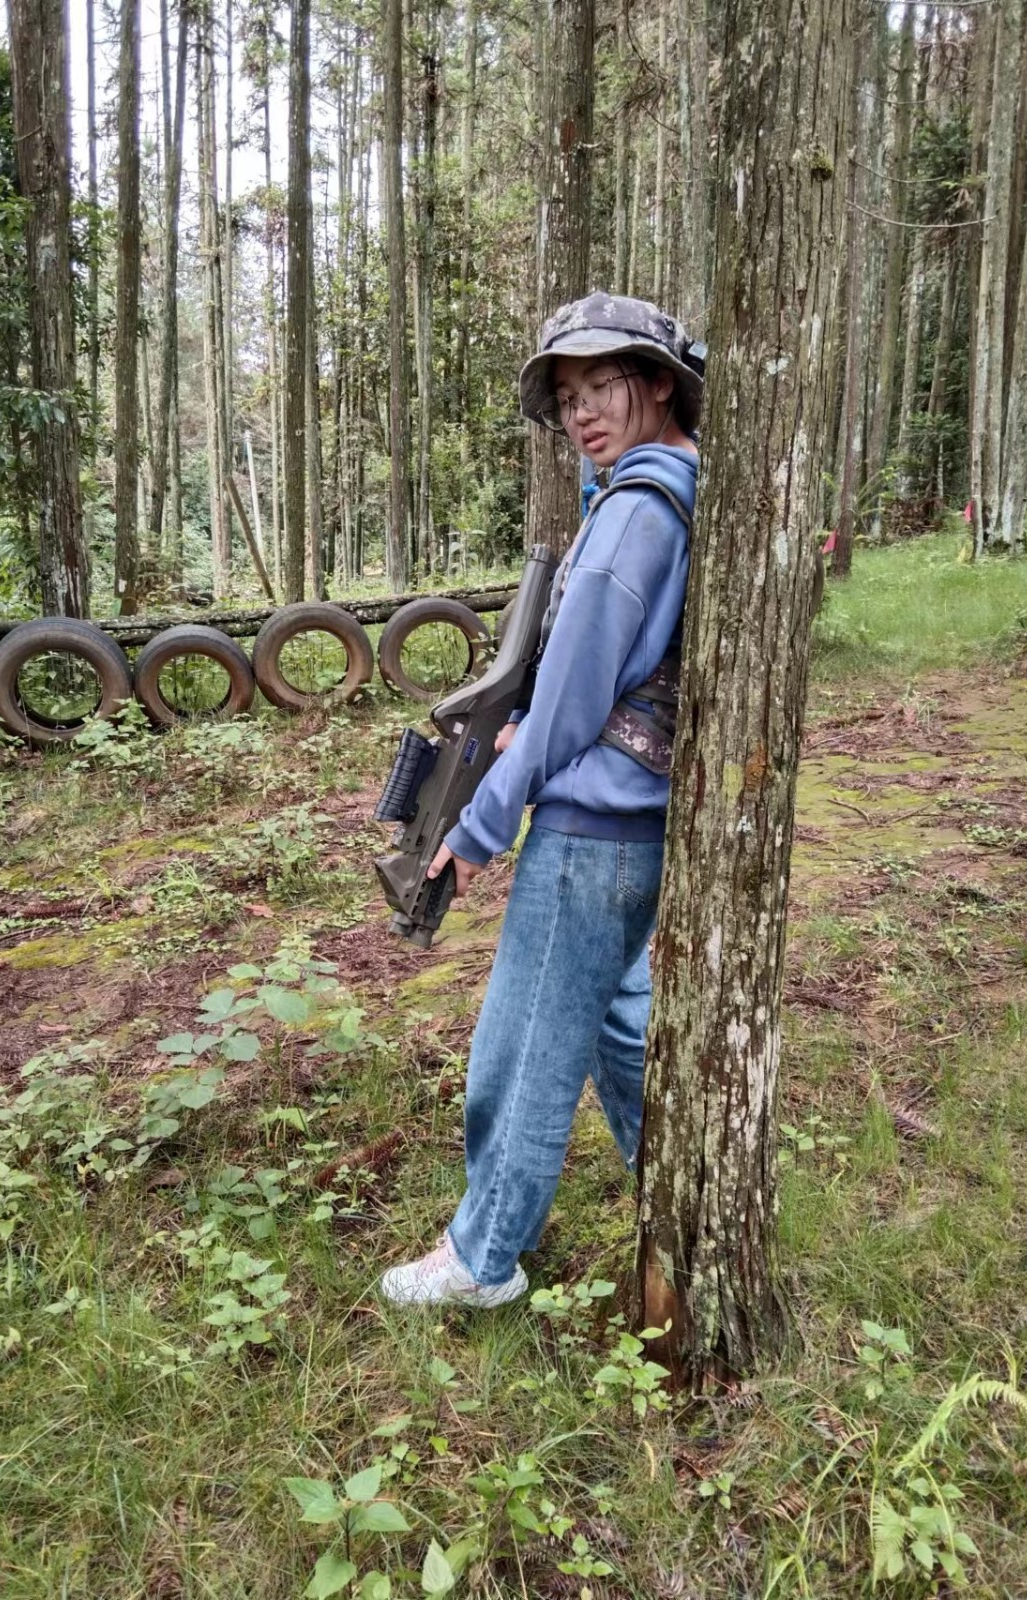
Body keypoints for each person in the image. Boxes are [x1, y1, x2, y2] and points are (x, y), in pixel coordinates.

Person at [380, 292, 702, 1307]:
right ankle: (684, 1195)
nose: (582, 412)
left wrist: (481, 825)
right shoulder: (668, 494)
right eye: (567, 397)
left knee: (521, 1048)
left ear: (660, 384)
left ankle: (483, 1257)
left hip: (591, 830)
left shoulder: (634, 513)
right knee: (617, 1023)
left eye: (603, 383)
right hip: (631, 822)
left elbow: (568, 699)